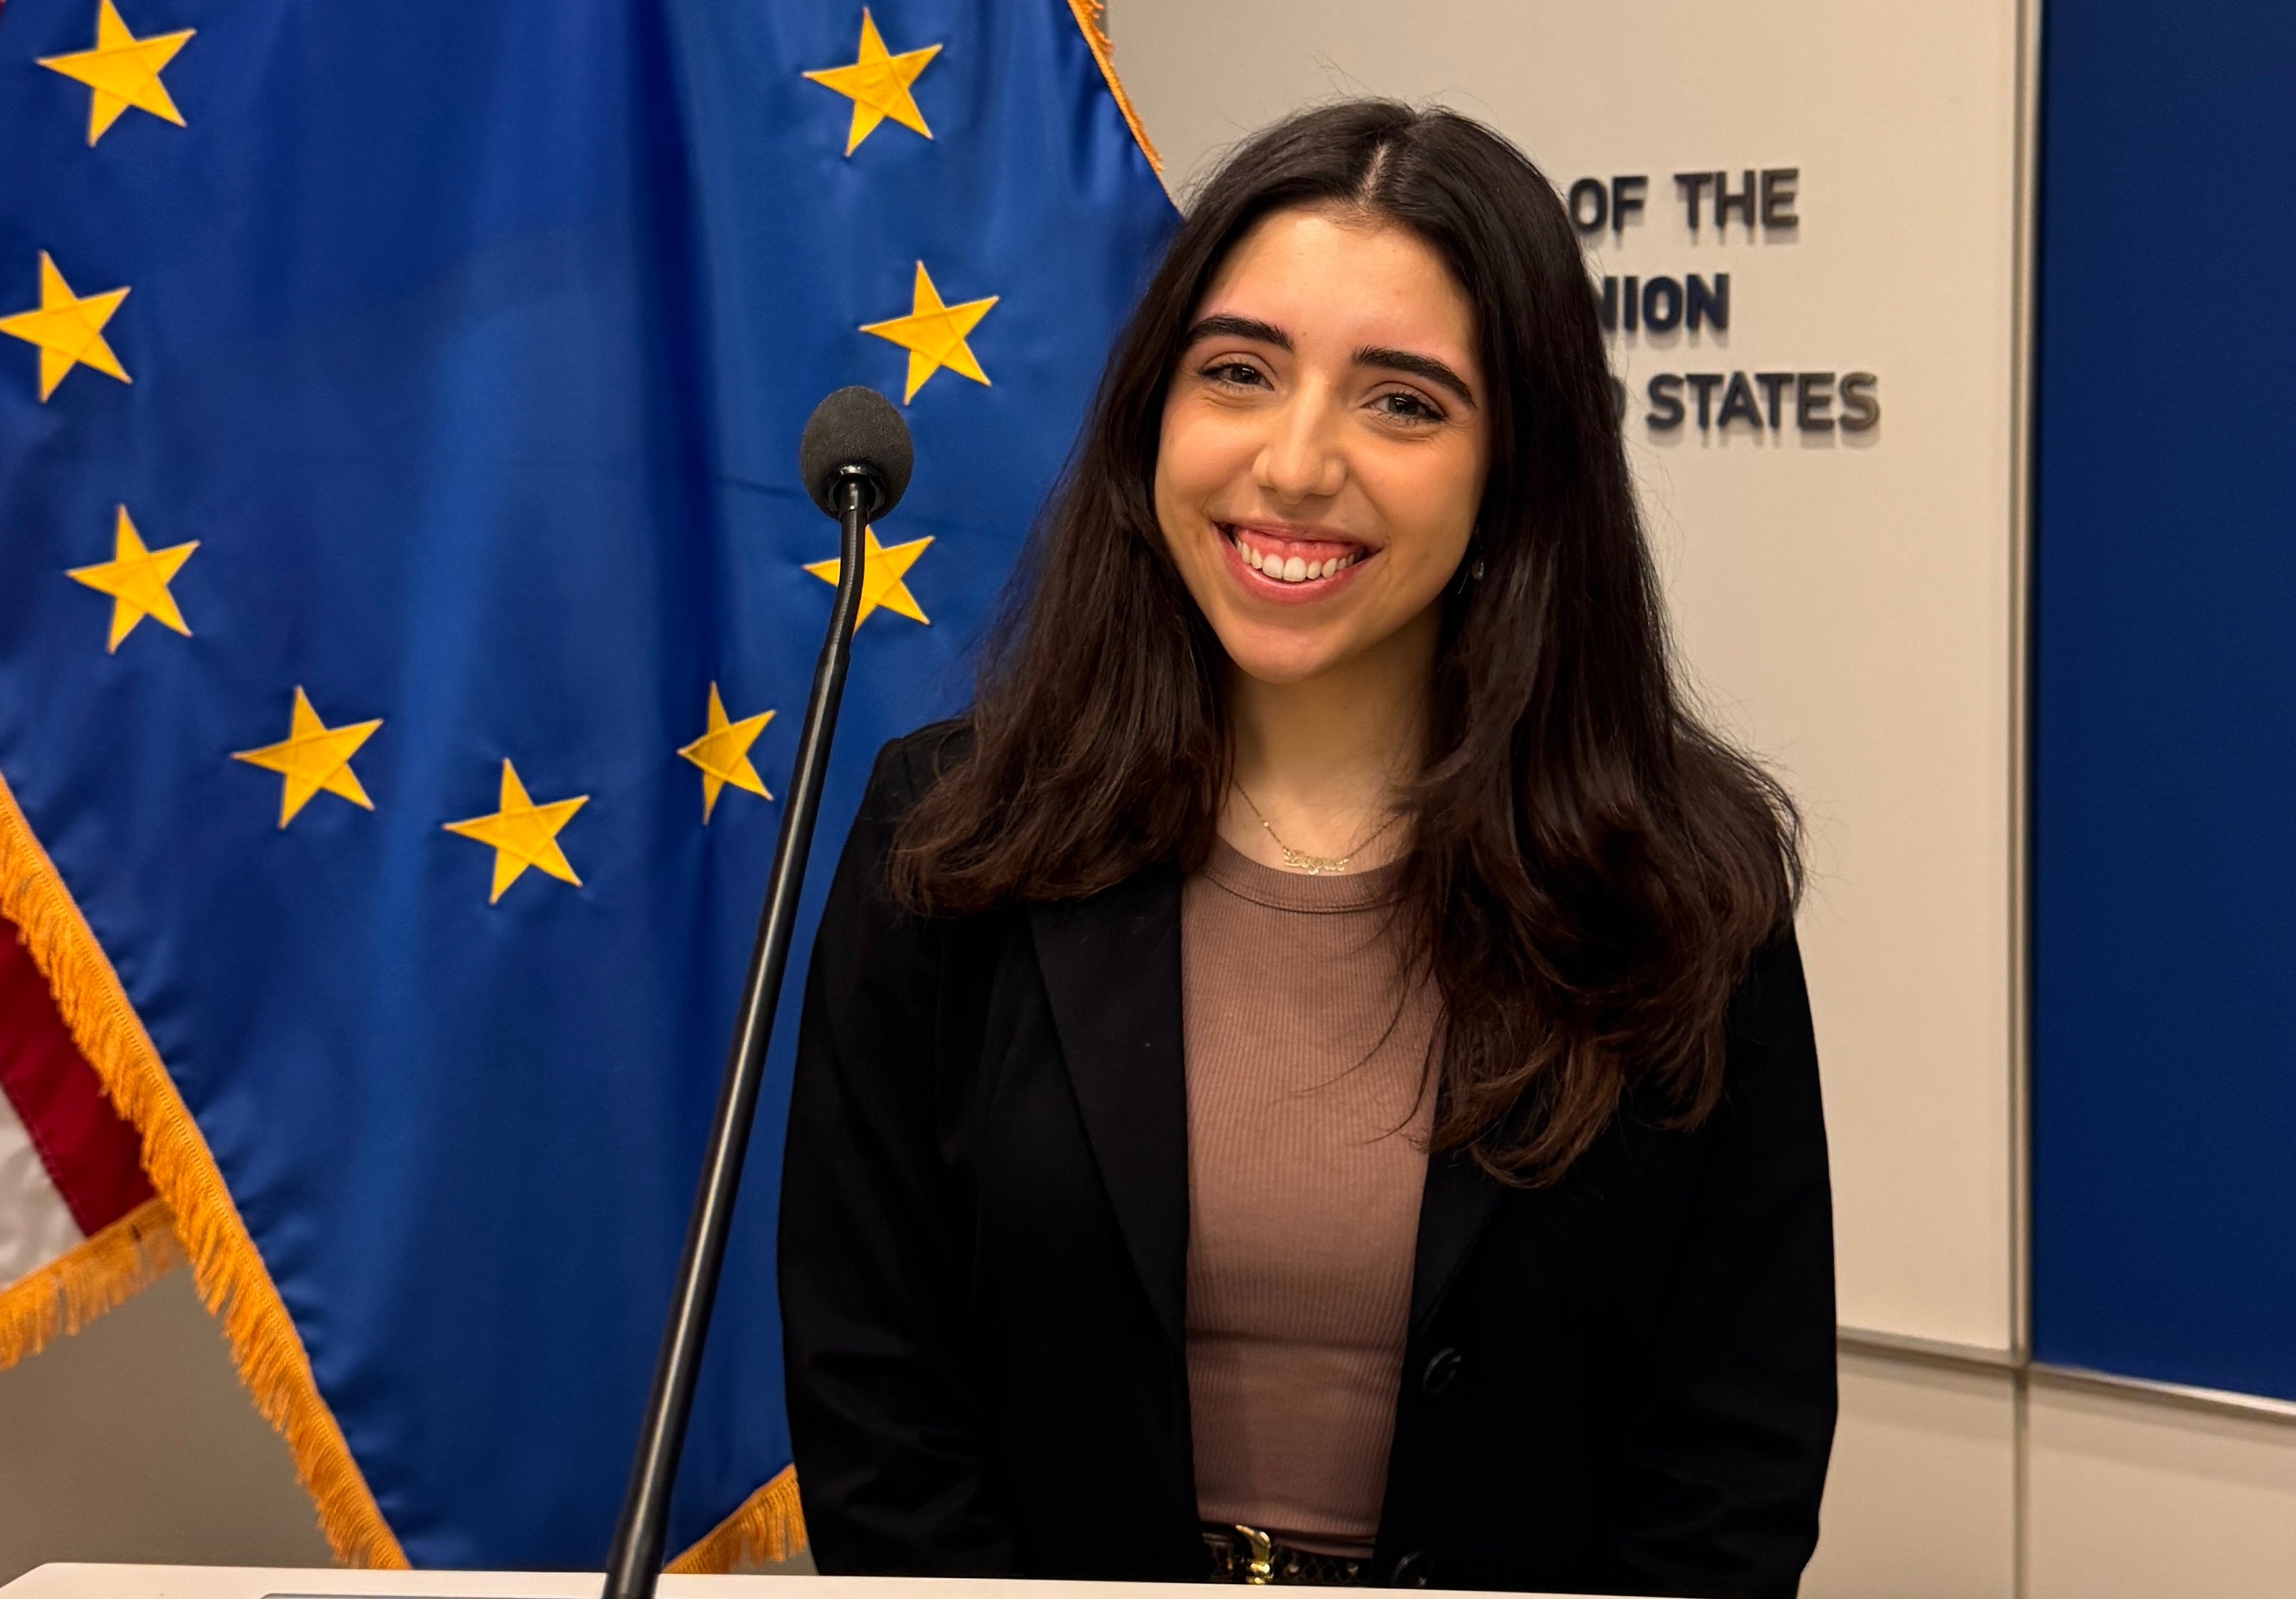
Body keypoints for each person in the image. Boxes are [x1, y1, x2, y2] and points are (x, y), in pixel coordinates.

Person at [778, 100, 1834, 1596]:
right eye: (1237, 373)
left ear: (1512, 475)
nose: (1293, 460)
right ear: (1154, 409)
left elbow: (1731, 1460)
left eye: (1401, 402)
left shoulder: (1679, 884)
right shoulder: (947, 832)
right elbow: (872, 1385)